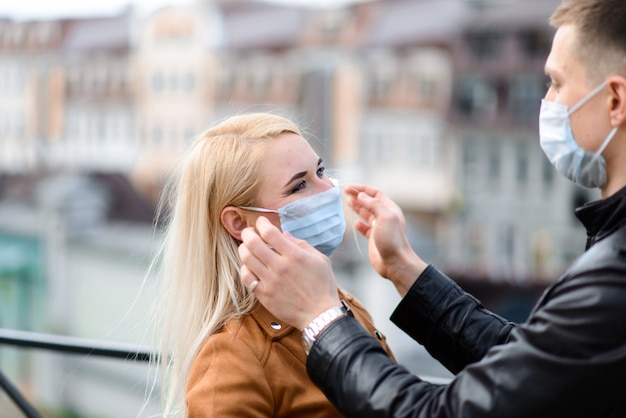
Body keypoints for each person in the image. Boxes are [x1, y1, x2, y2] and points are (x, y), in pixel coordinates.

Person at [237, 0, 626, 416]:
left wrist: (321, 317)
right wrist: (406, 269)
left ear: (615, 100)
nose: (546, 101)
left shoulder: (611, 279)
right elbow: (530, 371)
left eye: (556, 83)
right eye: (299, 184)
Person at [151, 112, 395, 417]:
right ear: (238, 222)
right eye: (299, 186)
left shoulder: (343, 304)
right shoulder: (232, 357)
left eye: (321, 171)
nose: (328, 190)